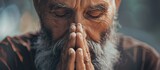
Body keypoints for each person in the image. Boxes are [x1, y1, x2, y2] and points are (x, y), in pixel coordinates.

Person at [0, 0, 159, 70]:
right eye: (61, 13)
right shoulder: (9, 59)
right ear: (39, 5)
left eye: (95, 14)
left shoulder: (144, 62)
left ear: (116, 4)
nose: (77, 31)